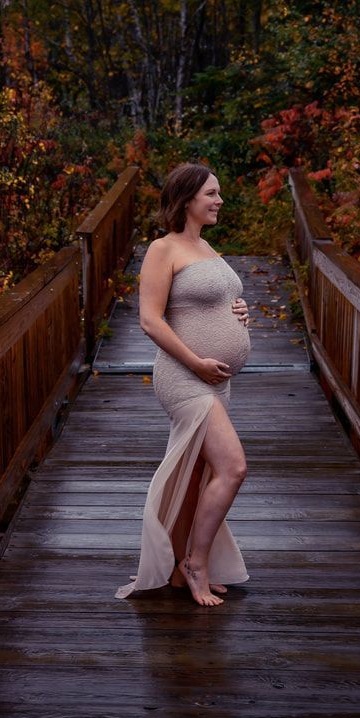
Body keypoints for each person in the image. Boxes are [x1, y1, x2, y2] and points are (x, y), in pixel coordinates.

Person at [114, 162, 251, 607]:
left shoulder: (207, 247)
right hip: (185, 376)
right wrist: (197, 362)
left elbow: (215, 302)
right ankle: (196, 563)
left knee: (197, 475)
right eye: (211, 193)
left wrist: (240, 313)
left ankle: (176, 567)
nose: (219, 200)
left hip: (215, 381)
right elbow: (150, 320)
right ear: (187, 198)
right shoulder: (163, 249)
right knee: (233, 467)